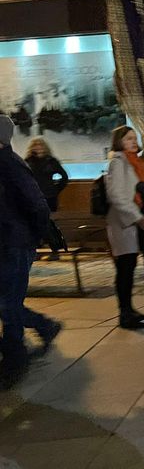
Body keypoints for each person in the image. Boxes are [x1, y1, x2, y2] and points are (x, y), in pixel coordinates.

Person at [0, 115, 63, 388]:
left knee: (7, 304)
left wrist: (33, 237)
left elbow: (37, 205)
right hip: (8, 242)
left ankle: (15, 361)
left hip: (14, 243)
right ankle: (43, 326)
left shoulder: (10, 164)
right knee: (6, 302)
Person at [105, 125, 144, 330]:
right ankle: (125, 313)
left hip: (131, 221)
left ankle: (129, 310)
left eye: (134, 138)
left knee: (129, 267)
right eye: (128, 139)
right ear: (119, 141)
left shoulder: (135, 162)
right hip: (122, 222)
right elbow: (116, 195)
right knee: (125, 269)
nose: (133, 142)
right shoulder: (118, 162)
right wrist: (137, 217)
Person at [24, 137, 68, 213]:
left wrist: (55, 189)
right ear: (32, 147)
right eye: (35, 145)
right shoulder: (27, 161)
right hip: (33, 196)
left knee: (50, 219)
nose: (38, 147)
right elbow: (21, 178)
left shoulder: (51, 161)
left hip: (49, 196)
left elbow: (64, 177)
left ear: (45, 147)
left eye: (41, 145)